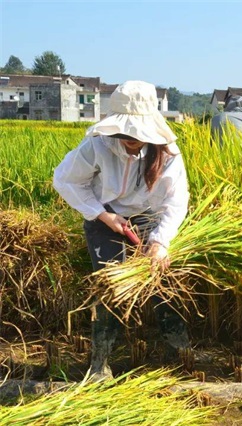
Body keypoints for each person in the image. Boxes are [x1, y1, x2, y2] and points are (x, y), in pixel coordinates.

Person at [53, 80, 191, 380]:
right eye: (126, 130)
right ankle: (100, 365)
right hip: (106, 218)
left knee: (163, 283)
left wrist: (160, 242)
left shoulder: (167, 153)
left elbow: (176, 201)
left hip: (149, 218)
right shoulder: (97, 146)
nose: (131, 138)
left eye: (138, 132)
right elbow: (65, 180)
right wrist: (102, 215)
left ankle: (178, 355)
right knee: (111, 286)